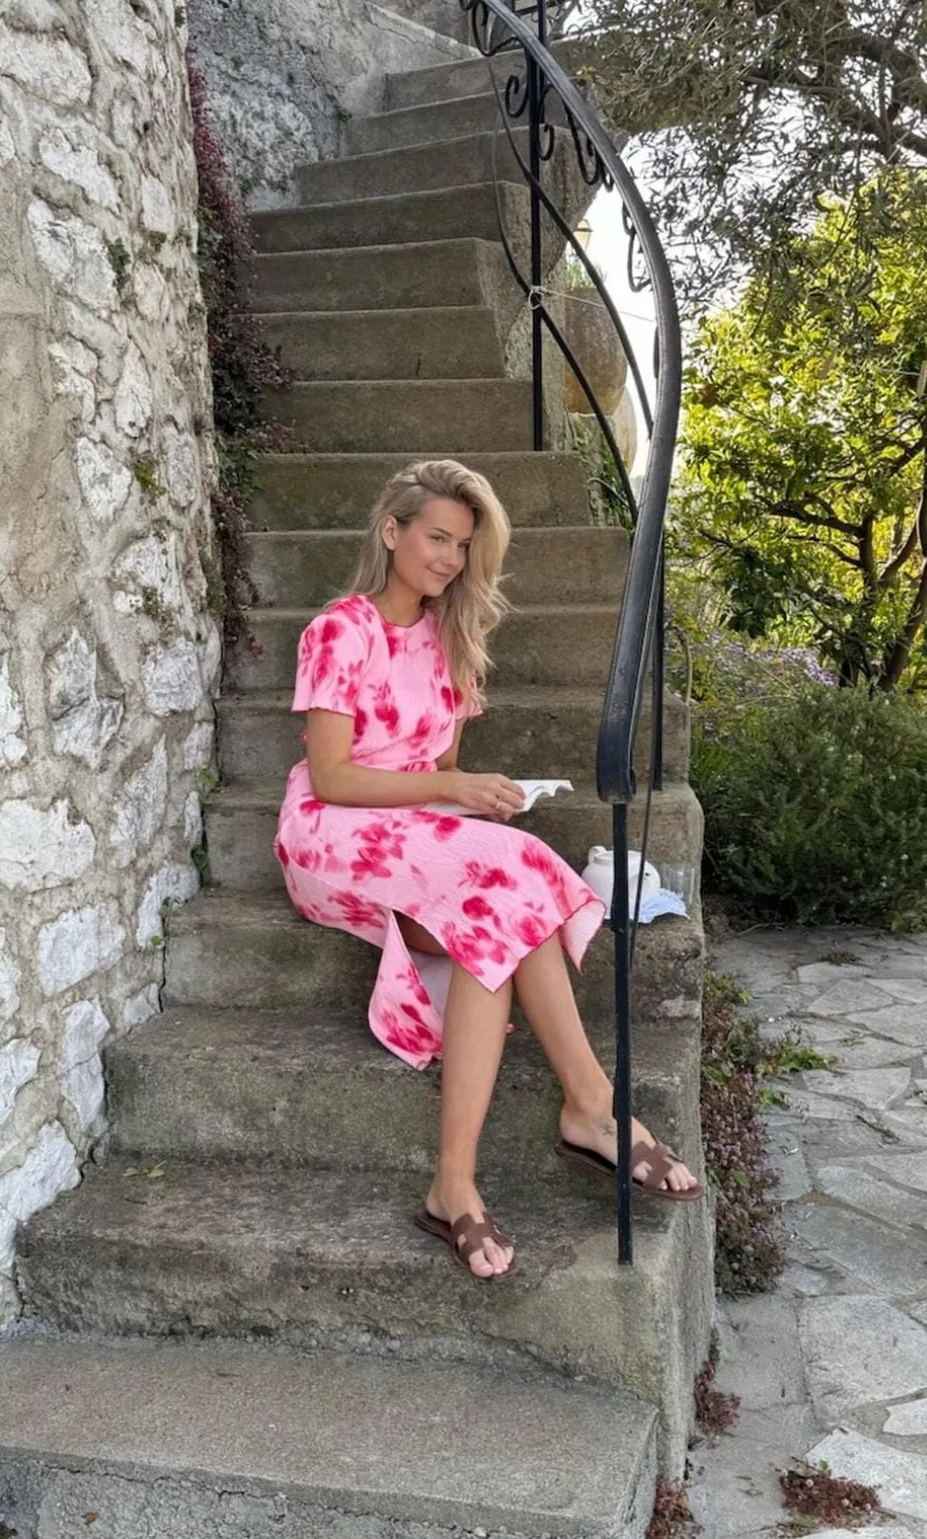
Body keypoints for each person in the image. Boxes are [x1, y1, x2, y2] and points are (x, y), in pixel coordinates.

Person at [275, 459, 701, 1280]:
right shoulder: (341, 629)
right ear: (391, 531)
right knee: (516, 877)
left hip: (408, 828)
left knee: (498, 907)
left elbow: (436, 775)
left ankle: (456, 1183)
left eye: (463, 545)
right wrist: (455, 789)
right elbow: (332, 777)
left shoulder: (451, 640)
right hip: (331, 834)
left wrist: (473, 800)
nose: (450, 558)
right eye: (436, 537)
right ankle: (591, 1106)